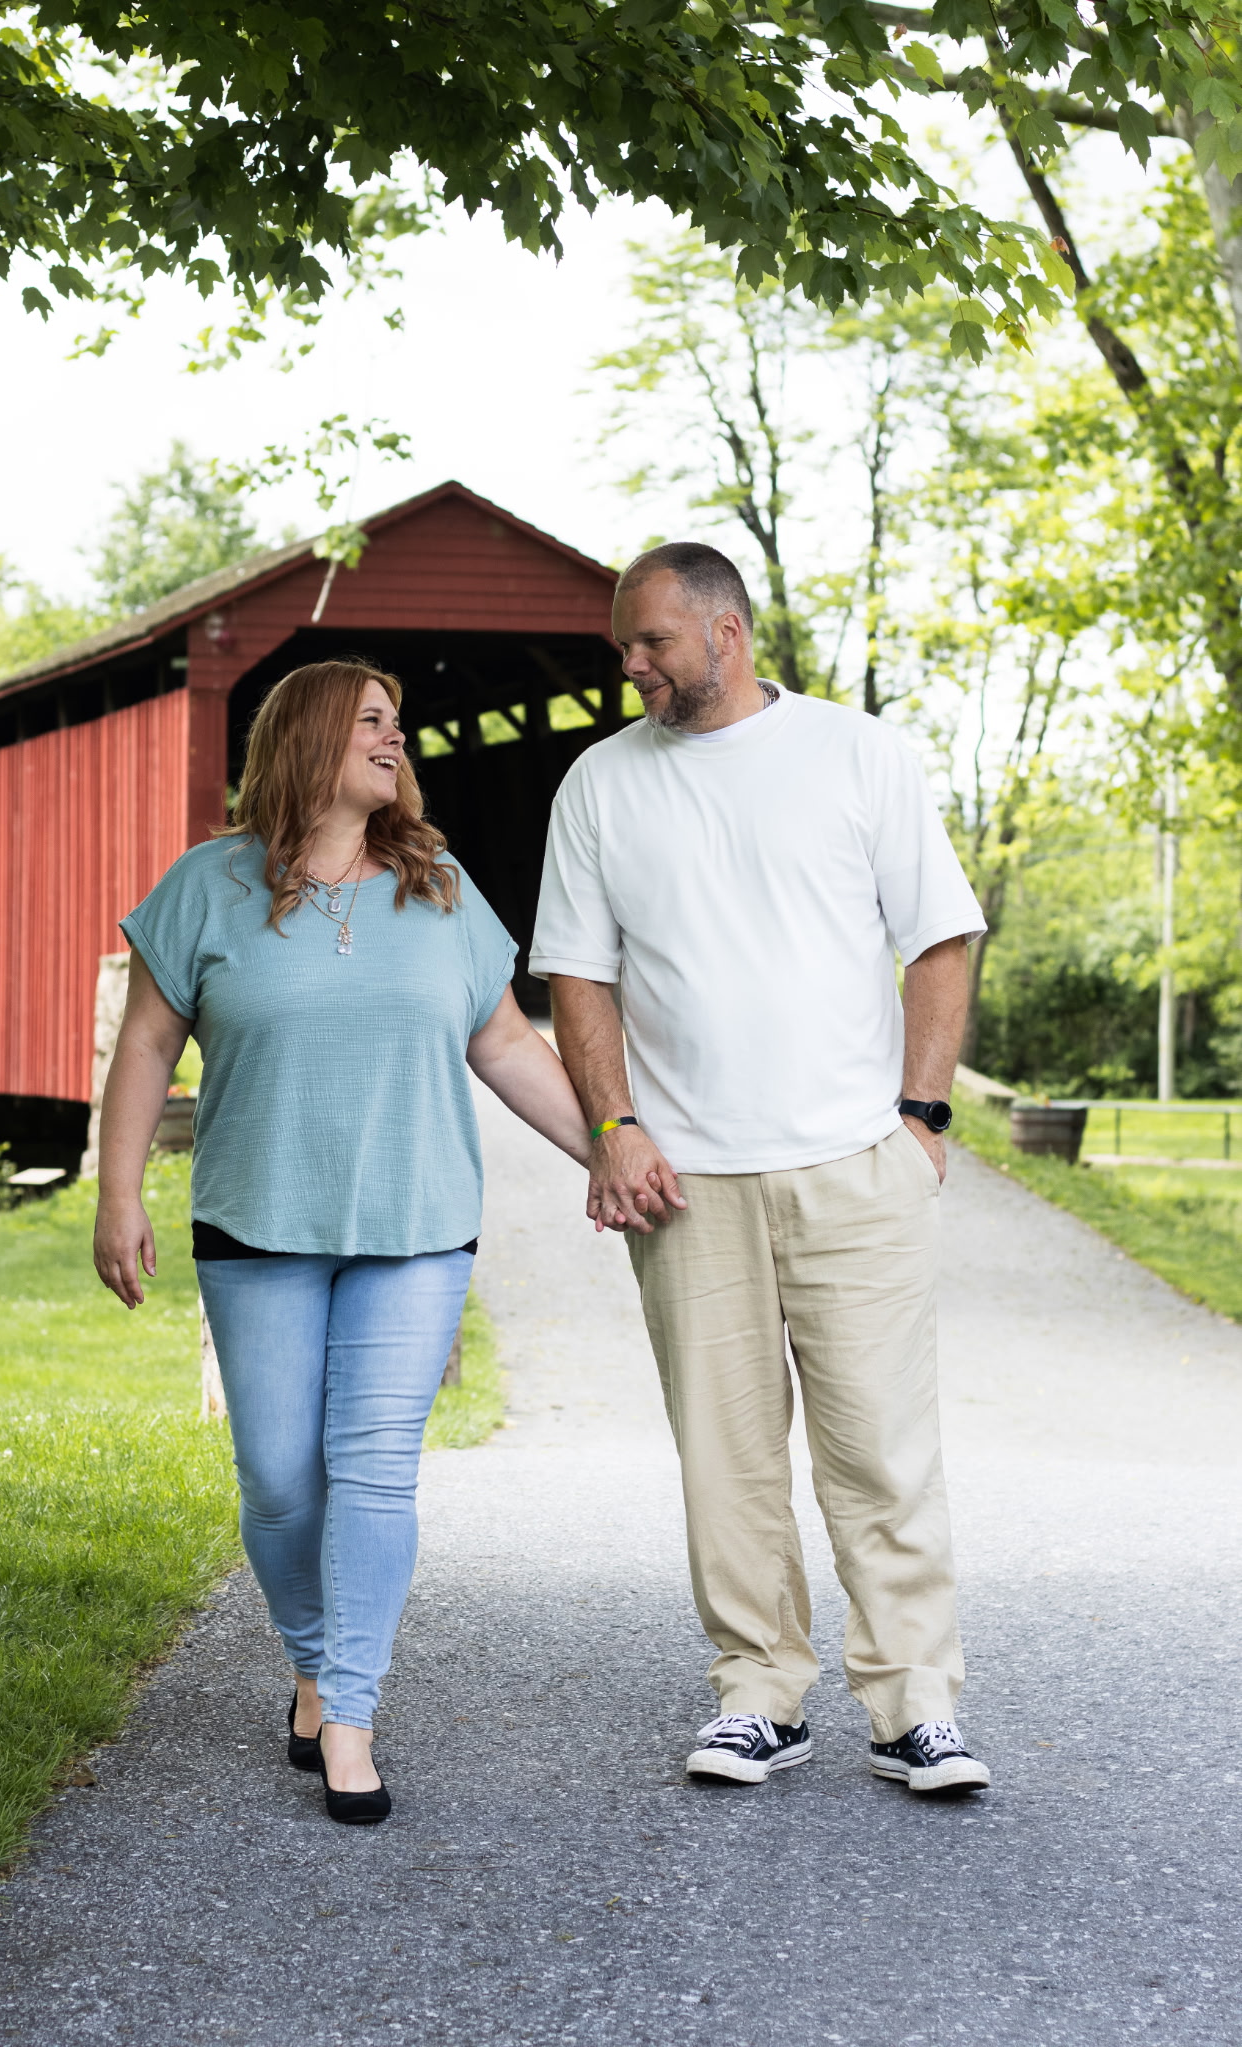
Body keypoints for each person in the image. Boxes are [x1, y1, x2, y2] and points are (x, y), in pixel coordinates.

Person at [532, 543, 992, 1797]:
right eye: (624, 646)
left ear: (725, 633)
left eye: (653, 644)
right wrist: (615, 1124)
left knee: (883, 1448)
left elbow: (941, 938)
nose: (632, 665)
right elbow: (579, 973)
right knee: (724, 1454)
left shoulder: (861, 756)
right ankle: (759, 1693)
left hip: (857, 1165)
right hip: (689, 1183)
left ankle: (914, 1709)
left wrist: (923, 1116)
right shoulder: (600, 784)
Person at [94, 660, 589, 1825]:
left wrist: (610, 1149)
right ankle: (311, 1661)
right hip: (256, 1223)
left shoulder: (441, 887)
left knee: (373, 1467)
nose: (396, 738)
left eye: (398, 724)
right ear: (311, 738)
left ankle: (352, 1714)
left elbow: (509, 1045)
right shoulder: (208, 886)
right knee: (276, 1477)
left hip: (416, 1226)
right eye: (373, 720)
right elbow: (146, 1049)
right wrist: (119, 1195)